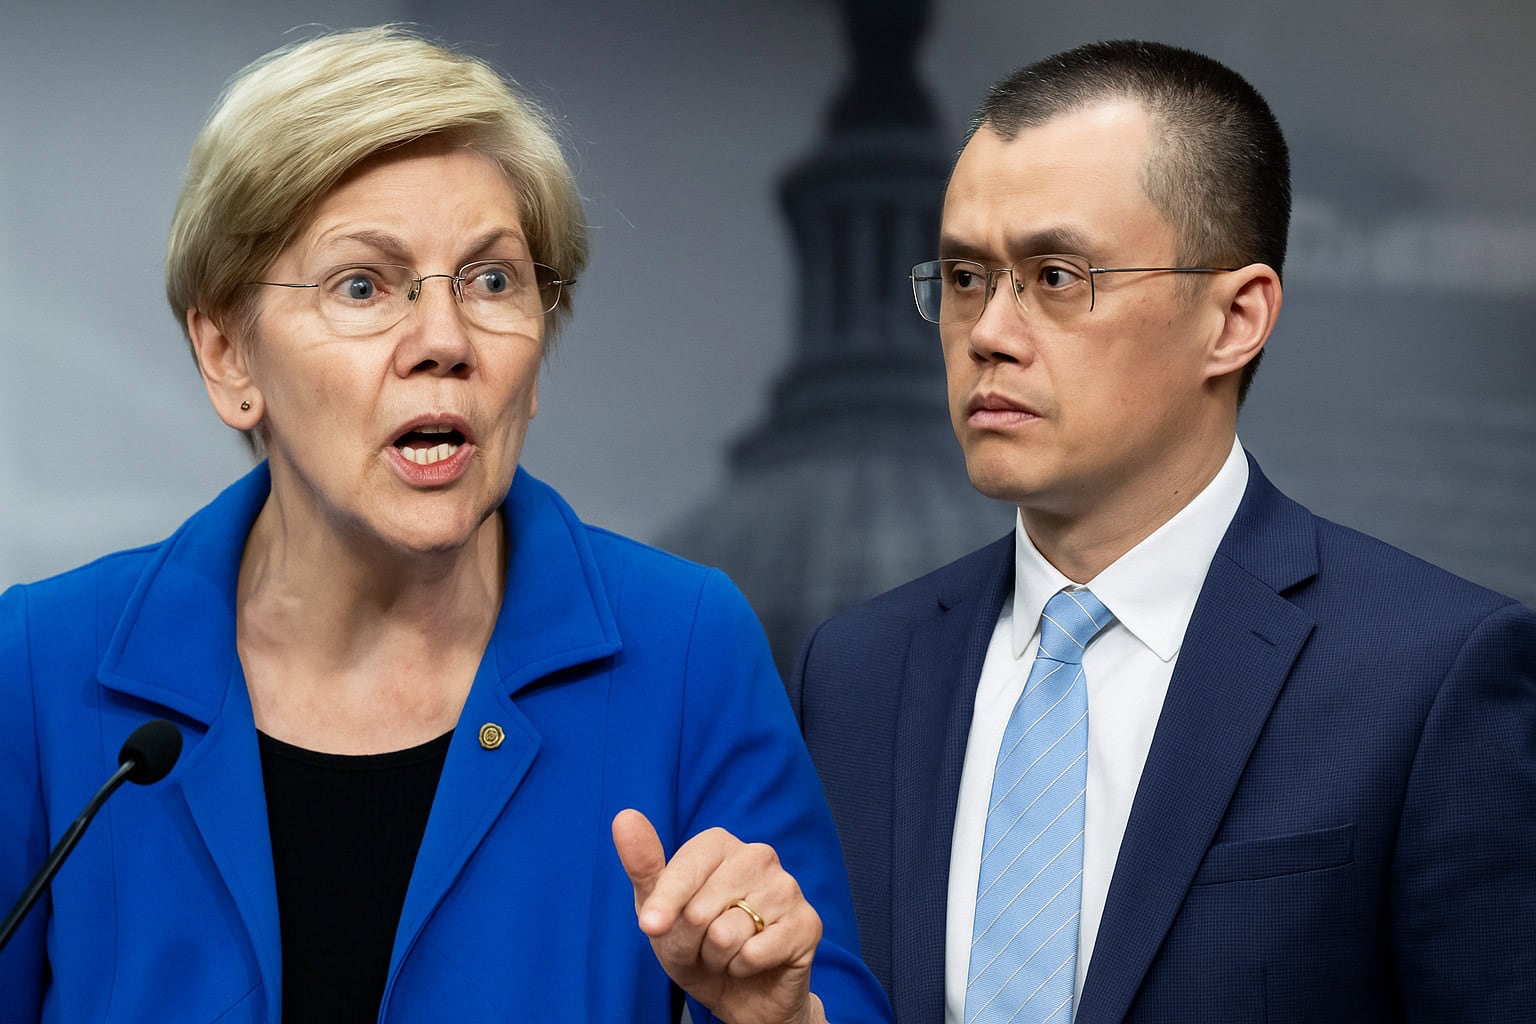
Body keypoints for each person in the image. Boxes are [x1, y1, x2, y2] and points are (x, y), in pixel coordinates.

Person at [0, 27, 892, 1024]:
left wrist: (777, 1014)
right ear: (228, 357)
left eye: (493, 281)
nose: (445, 340)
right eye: (363, 285)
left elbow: (830, 1005)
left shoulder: (686, 648)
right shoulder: (42, 663)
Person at [790, 39, 1536, 1024]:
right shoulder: (858, 670)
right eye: (965, 277)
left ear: (1234, 318)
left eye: (1055, 276)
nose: (988, 332)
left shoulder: (1430, 674)